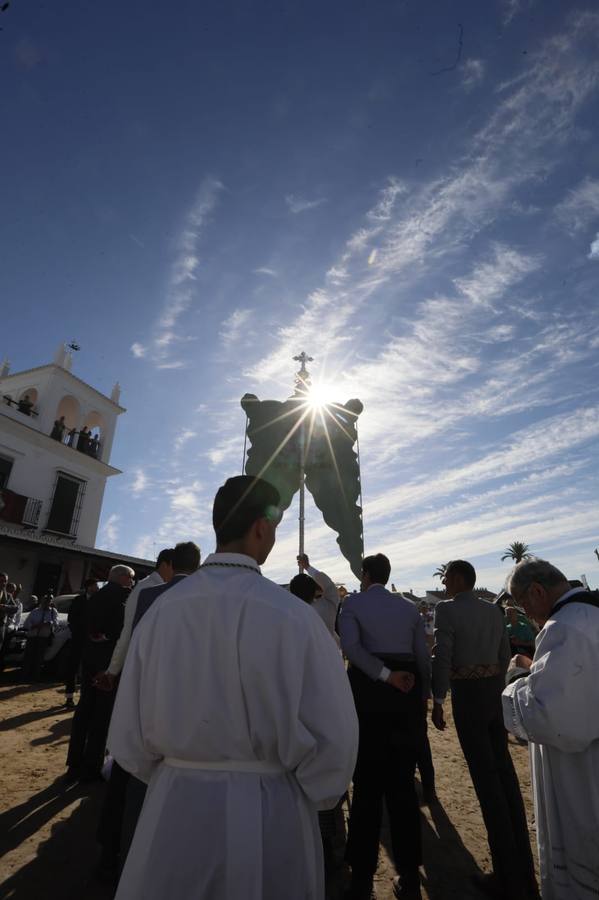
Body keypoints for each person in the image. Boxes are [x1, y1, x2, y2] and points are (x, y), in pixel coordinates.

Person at [107, 475, 358, 900]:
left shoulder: (162, 611)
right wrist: (311, 793)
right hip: (271, 812)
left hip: (172, 810)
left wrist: (180, 771)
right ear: (261, 527)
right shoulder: (295, 617)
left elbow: (127, 737)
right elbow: (335, 738)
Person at [431, 560, 537, 900]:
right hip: (494, 694)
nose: (444, 583)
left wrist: (437, 698)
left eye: (446, 577)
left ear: (458, 578)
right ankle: (523, 872)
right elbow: (505, 655)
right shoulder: (493, 611)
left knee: (487, 784)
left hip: (469, 699)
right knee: (506, 779)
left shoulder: (447, 610)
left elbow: (443, 656)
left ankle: (507, 878)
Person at [96, 543, 201, 883]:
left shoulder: (147, 595)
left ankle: (115, 855)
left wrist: (113, 672)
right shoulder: (203, 596)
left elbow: (129, 641)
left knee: (128, 774)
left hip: (143, 694)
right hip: (185, 706)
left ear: (172, 564)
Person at [502, 558, 599, 900]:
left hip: (582, 774)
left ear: (537, 592)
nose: (525, 613)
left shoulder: (564, 627)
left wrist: (516, 678)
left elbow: (551, 718)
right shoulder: (590, 614)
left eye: (522, 603)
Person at [339, 553, 430, 900]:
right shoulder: (409, 608)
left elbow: (351, 648)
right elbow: (421, 657)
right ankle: (409, 878)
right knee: (403, 787)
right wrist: (427, 697)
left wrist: (384, 675)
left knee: (366, 787)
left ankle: (361, 880)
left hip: (369, 693)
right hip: (406, 691)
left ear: (364, 575)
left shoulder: (353, 604)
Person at [65, 565, 134, 781]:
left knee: (84, 710)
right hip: (108, 666)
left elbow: (82, 627)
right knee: (101, 715)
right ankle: (91, 767)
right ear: (123, 578)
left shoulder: (93, 597)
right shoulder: (124, 597)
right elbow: (121, 632)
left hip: (88, 660)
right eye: (131, 578)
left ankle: (74, 763)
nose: (132, 582)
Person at [64, 579, 99, 708]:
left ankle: (85, 698)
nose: (97, 588)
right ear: (89, 587)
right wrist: (77, 632)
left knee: (88, 669)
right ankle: (69, 696)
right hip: (78, 639)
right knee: (72, 667)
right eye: (95, 585)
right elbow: (71, 618)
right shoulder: (78, 600)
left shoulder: (98, 600)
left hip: (91, 641)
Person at [297, 552, 340, 640]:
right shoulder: (328, 606)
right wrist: (307, 566)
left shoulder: (292, 612)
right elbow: (330, 587)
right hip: (328, 646)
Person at [22, 594, 58, 680]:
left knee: (39, 658)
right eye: (45, 600)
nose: (47, 602)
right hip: (32, 637)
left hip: (43, 638)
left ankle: (35, 677)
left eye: (49, 600)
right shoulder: (35, 611)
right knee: (28, 657)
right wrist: (34, 626)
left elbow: (56, 623)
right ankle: (24, 676)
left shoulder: (53, 612)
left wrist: (48, 623)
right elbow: (26, 624)